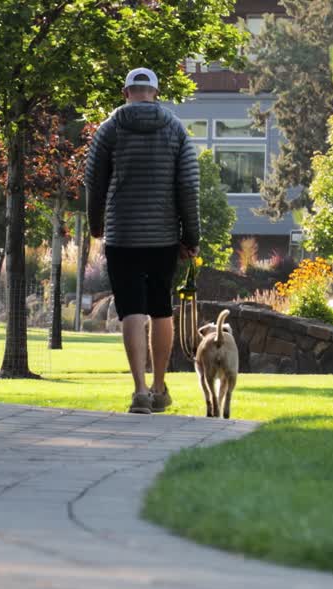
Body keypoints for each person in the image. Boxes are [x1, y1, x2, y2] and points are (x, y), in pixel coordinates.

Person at [85, 67, 200, 414]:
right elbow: (188, 186)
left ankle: (139, 391)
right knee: (161, 307)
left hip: (122, 234)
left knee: (131, 309)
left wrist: (95, 225)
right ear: (155, 92)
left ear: (126, 92)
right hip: (163, 236)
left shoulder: (109, 129)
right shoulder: (175, 129)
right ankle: (159, 387)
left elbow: (94, 182)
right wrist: (190, 236)